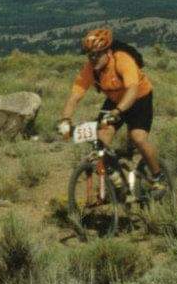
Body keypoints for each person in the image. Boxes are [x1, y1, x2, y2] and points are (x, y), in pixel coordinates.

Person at [57, 28, 165, 185]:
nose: (93, 59)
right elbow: (74, 96)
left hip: (139, 98)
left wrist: (118, 111)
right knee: (102, 137)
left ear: (107, 52)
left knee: (138, 138)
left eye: (97, 54)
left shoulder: (122, 60)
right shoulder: (90, 69)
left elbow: (132, 90)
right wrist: (65, 120)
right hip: (115, 101)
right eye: (90, 55)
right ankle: (115, 180)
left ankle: (158, 176)